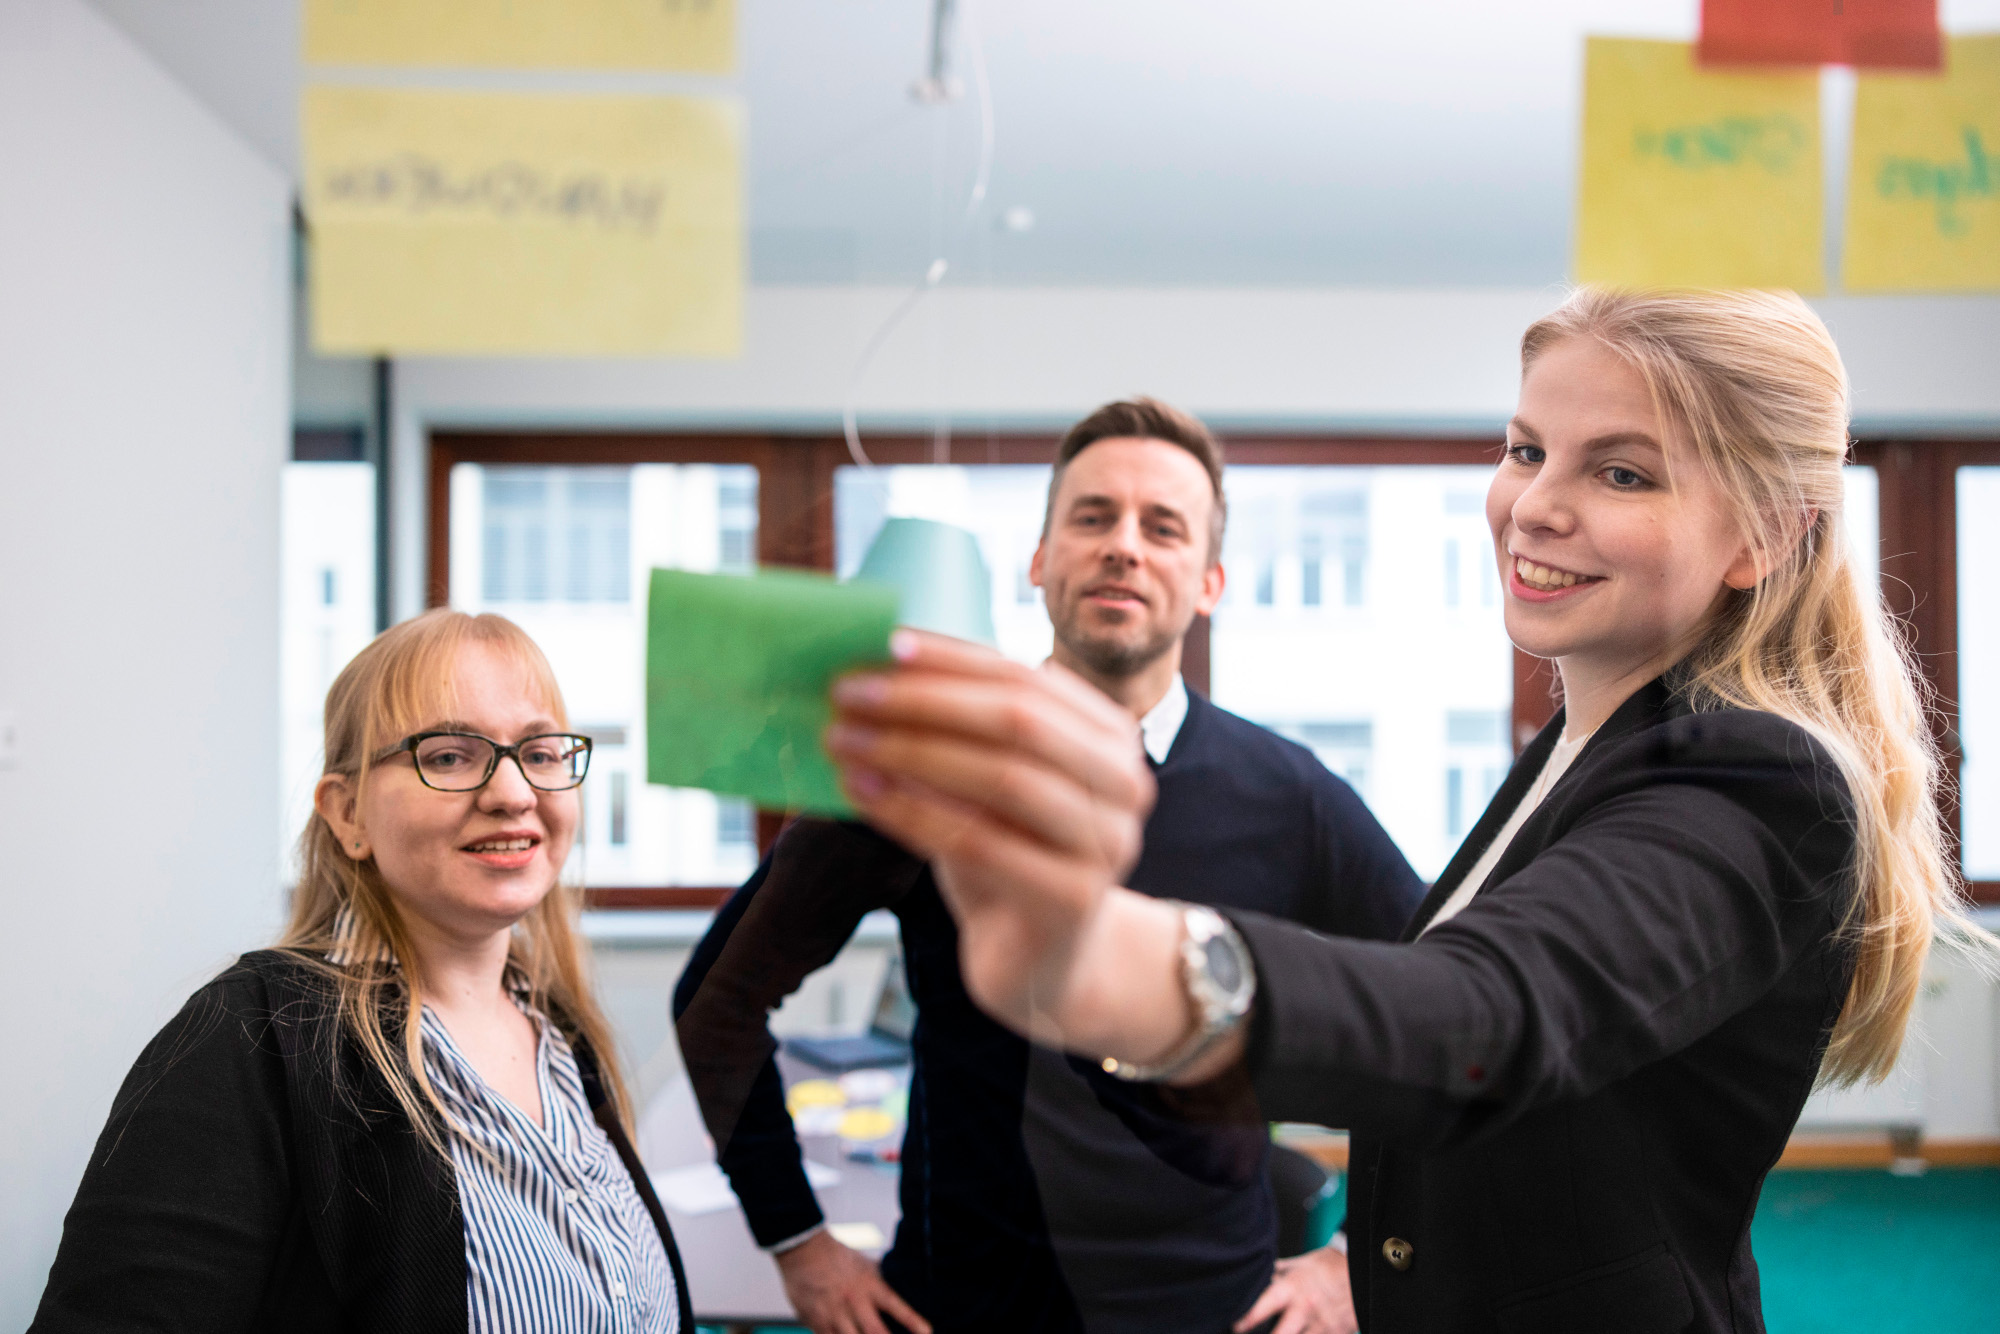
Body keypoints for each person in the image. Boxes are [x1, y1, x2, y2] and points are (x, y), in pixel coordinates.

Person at [825, 289, 1992, 1333]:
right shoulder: (1584, 743)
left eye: (1620, 471)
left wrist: (1117, 958)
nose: (1532, 505)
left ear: (1765, 535)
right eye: (1525, 448)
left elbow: (1483, 1010)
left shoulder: (1756, 779)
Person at [674, 398, 1425, 1334]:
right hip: (959, 1307)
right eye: (1093, 516)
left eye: (1163, 527)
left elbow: (1444, 1010)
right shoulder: (931, 768)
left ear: (1209, 582)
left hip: (1214, 1314)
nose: (1124, 546)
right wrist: (797, 1242)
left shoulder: (1289, 795)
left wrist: (1362, 1258)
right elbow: (716, 1001)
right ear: (1038, 561)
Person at [32, 609, 693, 1333]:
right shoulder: (254, 1042)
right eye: (447, 755)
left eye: (539, 753)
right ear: (347, 814)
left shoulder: (564, 1039)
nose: (513, 794)